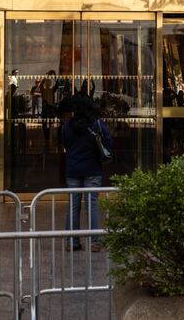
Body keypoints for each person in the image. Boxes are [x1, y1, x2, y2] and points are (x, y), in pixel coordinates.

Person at [62, 95, 113, 252]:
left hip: (73, 169)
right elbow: (109, 142)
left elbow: (65, 143)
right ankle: (94, 242)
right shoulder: (97, 124)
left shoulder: (68, 126)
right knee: (92, 206)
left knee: (73, 206)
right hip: (93, 169)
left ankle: (72, 242)